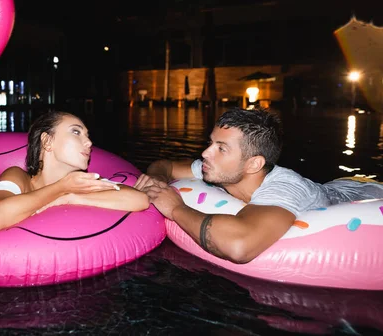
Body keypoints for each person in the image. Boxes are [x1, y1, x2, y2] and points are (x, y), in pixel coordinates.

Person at [134, 107, 383, 264]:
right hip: (335, 184)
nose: (205, 153)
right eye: (211, 143)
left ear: (254, 164)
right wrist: (157, 179)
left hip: (364, 193)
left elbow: (240, 246)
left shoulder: (285, 188)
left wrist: (177, 209)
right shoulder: (222, 168)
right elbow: (164, 165)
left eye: (221, 148)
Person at [0, 110, 150, 231]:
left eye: (87, 135)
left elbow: (140, 199)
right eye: (76, 132)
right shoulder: (18, 177)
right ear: (47, 141)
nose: (89, 142)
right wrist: (61, 188)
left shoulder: (80, 185)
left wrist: (71, 197)